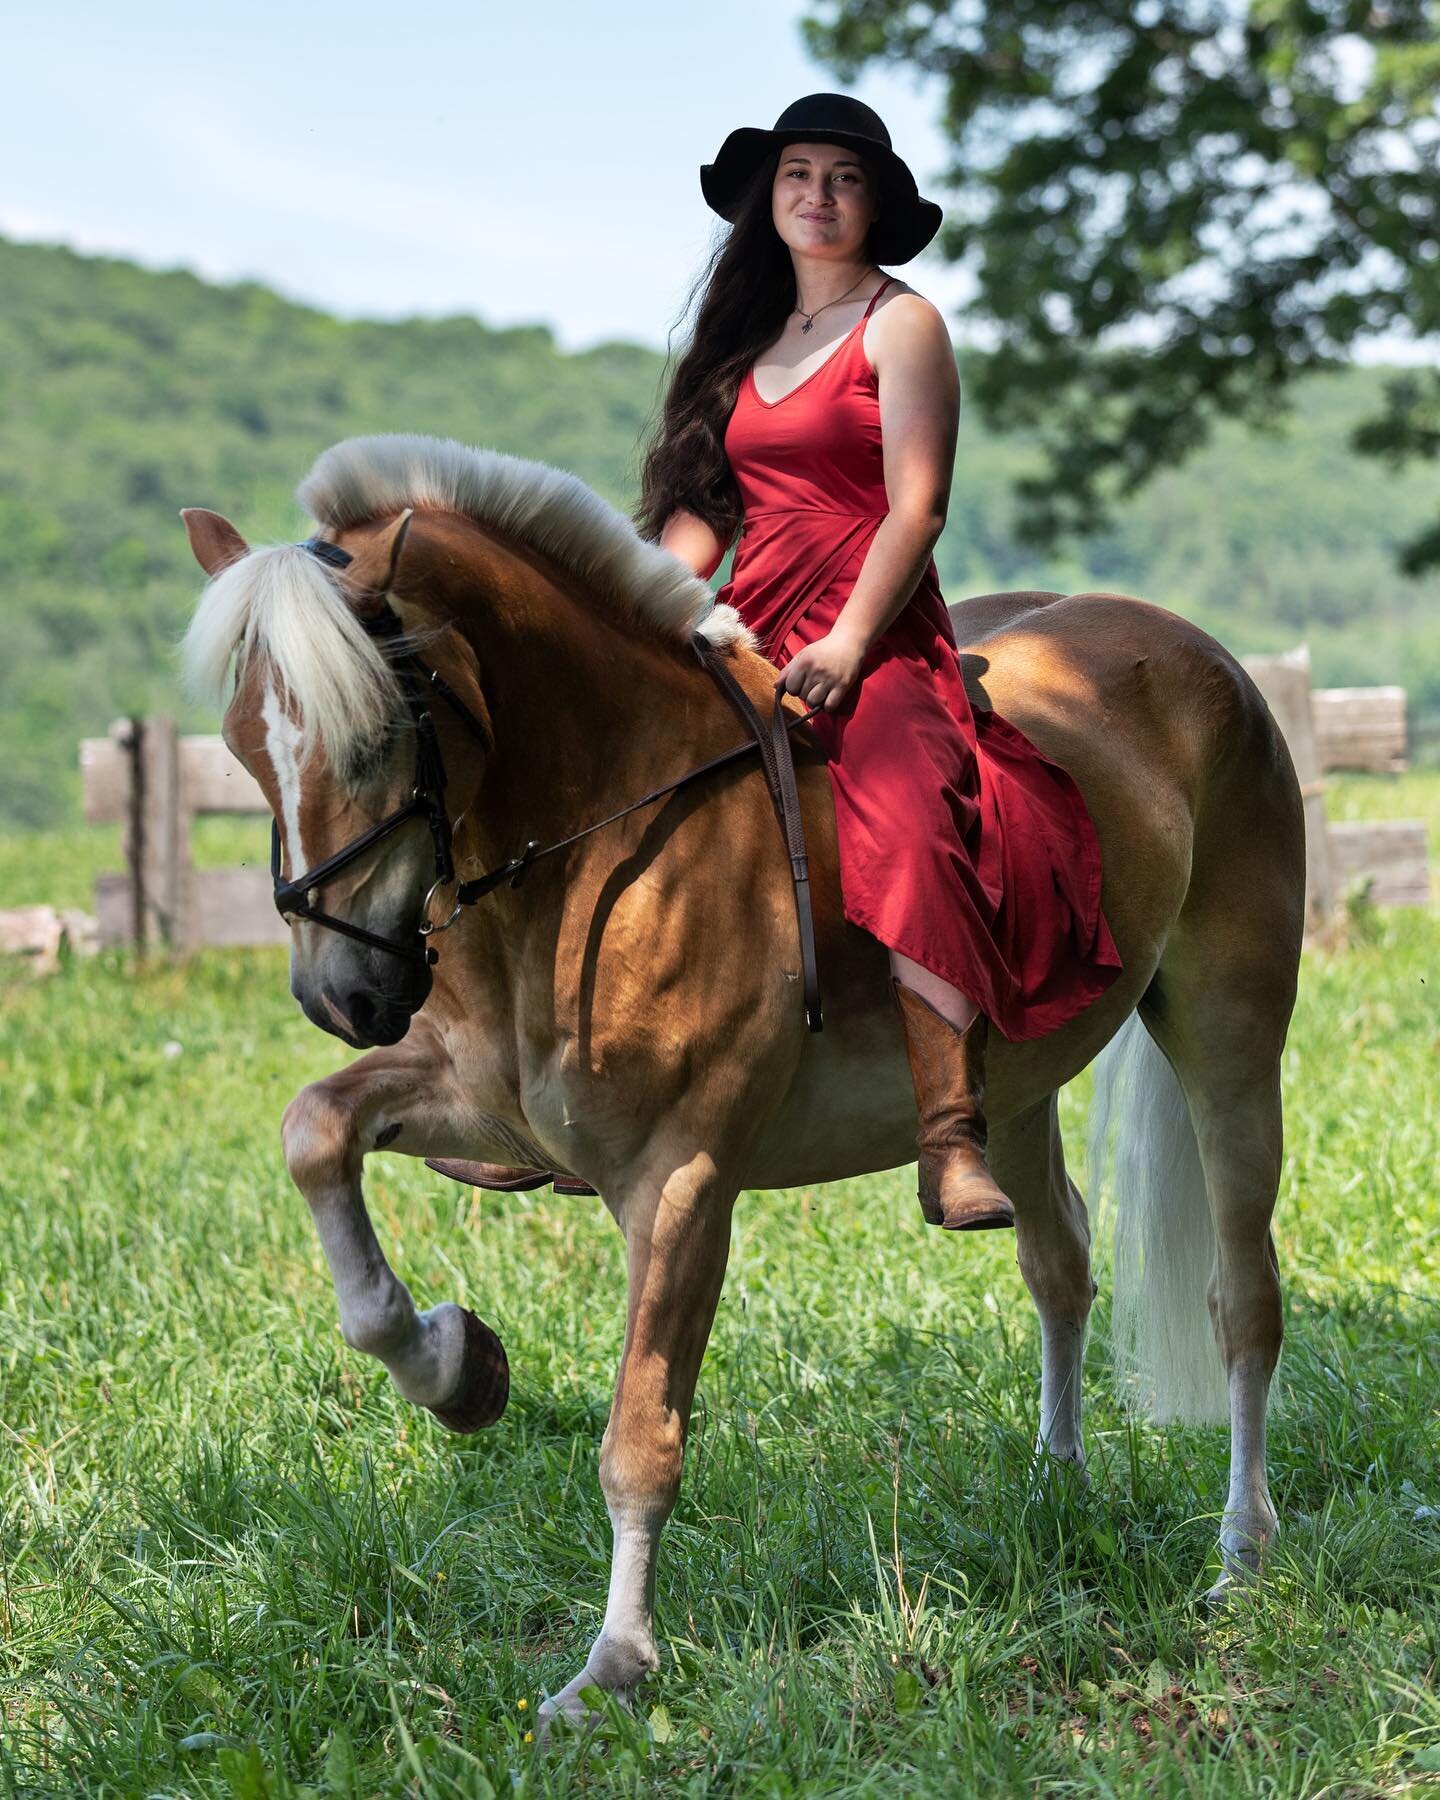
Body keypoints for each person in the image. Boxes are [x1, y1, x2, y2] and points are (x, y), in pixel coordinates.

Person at [433, 92, 1122, 1226]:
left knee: (907, 807)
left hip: (875, 623)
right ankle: (559, 1096)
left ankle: (950, 1131)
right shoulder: (747, 344)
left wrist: (853, 640)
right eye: (799, 175)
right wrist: (635, 615)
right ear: (770, 198)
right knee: (624, 801)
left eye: (843, 179)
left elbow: (918, 506)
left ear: (876, 205)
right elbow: (703, 515)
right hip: (752, 617)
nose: (818, 196)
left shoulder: (902, 325)